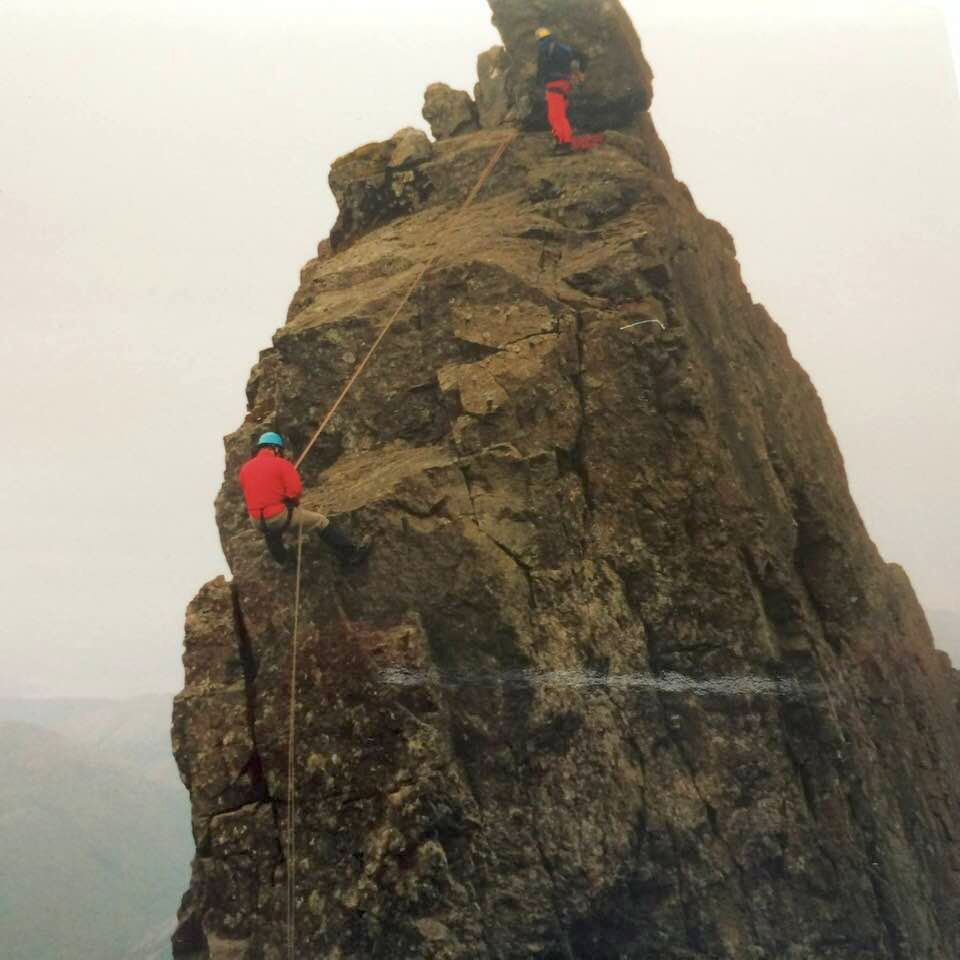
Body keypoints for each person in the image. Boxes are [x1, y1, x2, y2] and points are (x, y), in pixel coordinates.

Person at [239, 431, 370, 566]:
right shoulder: (282, 464)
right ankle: (351, 554)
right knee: (320, 521)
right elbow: (294, 492)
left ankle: (284, 560)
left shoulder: (245, 468)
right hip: (277, 516)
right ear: (276, 448)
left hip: (256, 521)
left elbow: (254, 491)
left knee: (270, 531)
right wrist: (291, 502)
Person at [535, 27, 589, 154]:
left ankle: (563, 144)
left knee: (554, 116)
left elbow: (541, 70)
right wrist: (581, 72)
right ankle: (566, 141)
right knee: (561, 116)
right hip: (565, 84)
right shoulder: (564, 48)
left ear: (539, 39)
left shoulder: (543, 48)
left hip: (553, 85)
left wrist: (539, 85)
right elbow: (583, 57)